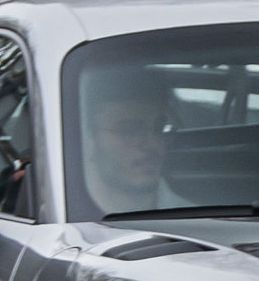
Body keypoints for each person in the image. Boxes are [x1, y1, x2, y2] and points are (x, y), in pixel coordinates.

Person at [78, 73, 182, 215]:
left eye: (159, 128)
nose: (152, 143)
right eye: (128, 130)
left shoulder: (195, 226)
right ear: (88, 138)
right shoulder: (60, 219)